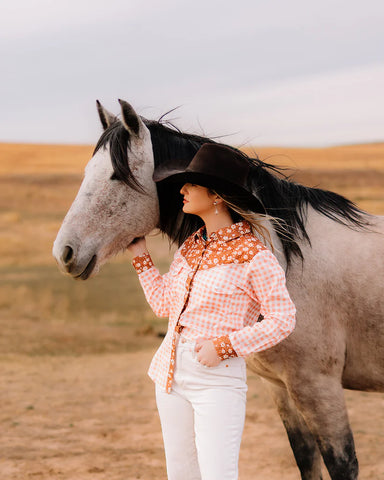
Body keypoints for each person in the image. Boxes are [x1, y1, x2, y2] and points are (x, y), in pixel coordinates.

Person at [127, 143, 296, 480]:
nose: (182, 189)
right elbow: (164, 304)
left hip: (216, 380)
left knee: (218, 474)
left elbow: (283, 319)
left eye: (192, 183)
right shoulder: (191, 247)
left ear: (217, 195)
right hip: (170, 374)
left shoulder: (254, 256)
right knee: (180, 473)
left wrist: (223, 346)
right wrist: (139, 255)